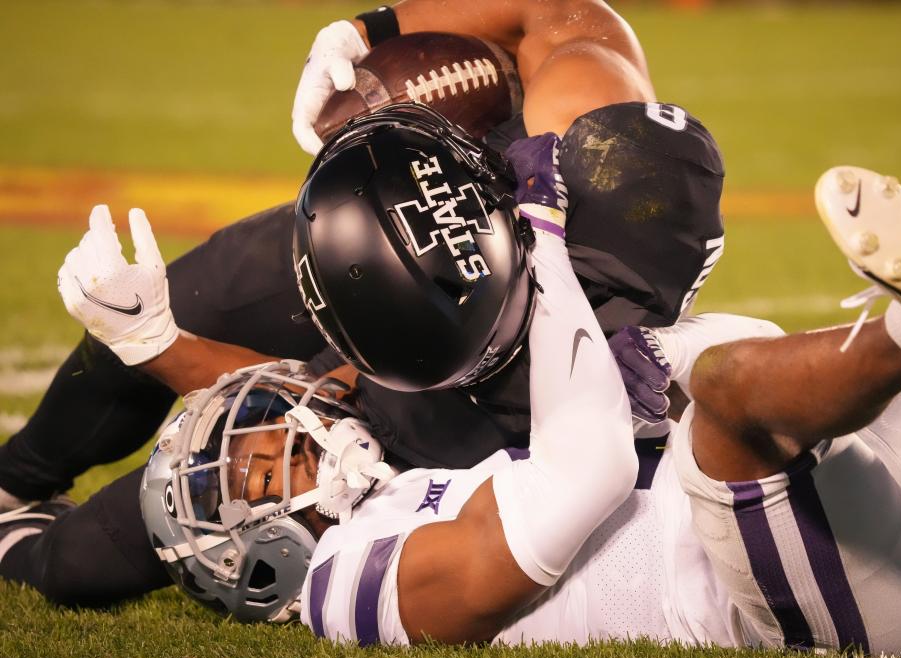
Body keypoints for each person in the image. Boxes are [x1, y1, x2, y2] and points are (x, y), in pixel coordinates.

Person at [4, 160, 901, 655]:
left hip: (865, 519)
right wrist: (541, 249)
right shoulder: (349, 592)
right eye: (264, 464)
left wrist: (155, 342)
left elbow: (294, 391)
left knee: (708, 372)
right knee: (722, 393)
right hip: (806, 598)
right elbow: (585, 473)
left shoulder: (369, 498)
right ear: (247, 556)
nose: (298, 433)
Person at [0, 0, 725, 508]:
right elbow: (549, 7)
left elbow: (324, 400)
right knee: (197, 290)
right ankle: (19, 476)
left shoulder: (577, 210)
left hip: (473, 357)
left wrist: (155, 343)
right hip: (407, 259)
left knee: (131, 529)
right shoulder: (568, 80)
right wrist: (362, 30)